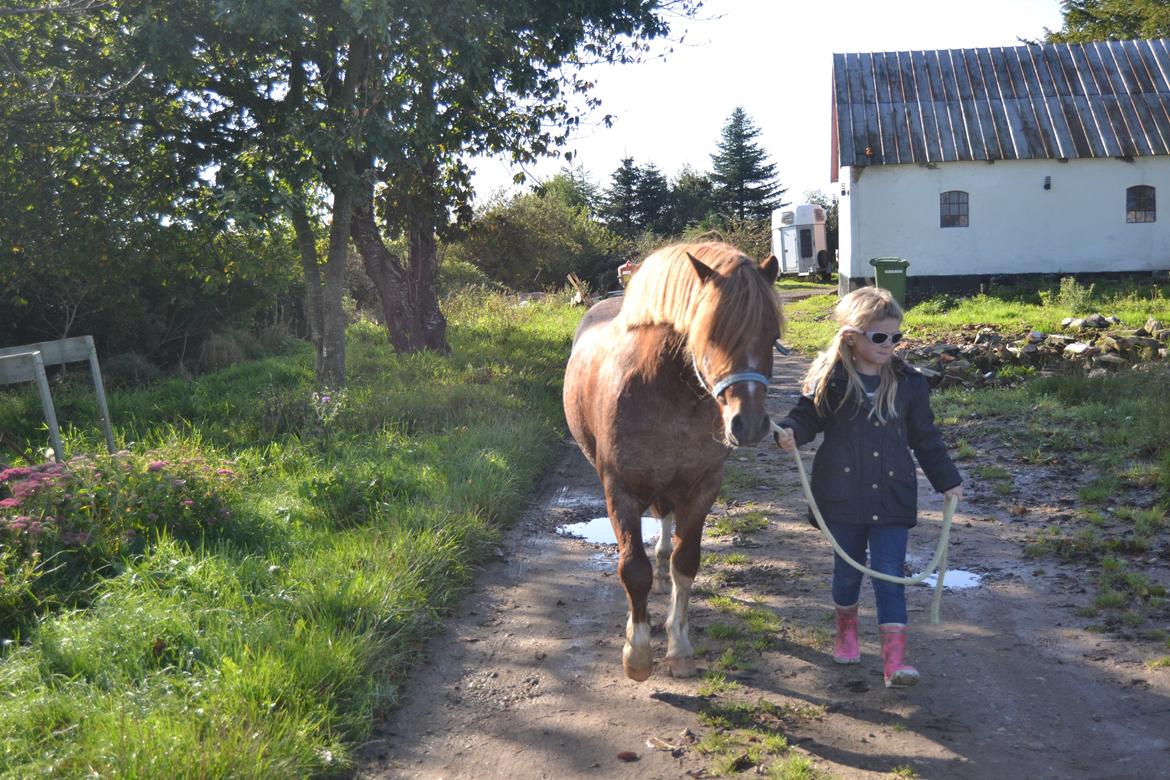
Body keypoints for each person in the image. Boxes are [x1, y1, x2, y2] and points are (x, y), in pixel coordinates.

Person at [773, 287, 962, 688]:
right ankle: (847, 630)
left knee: (889, 572)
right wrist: (790, 432)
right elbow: (806, 417)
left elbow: (926, 438)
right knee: (847, 571)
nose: (889, 345)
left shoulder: (910, 383)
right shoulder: (830, 378)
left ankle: (895, 663)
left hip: (892, 494)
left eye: (896, 337)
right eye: (880, 337)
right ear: (852, 336)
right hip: (840, 495)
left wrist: (948, 481)